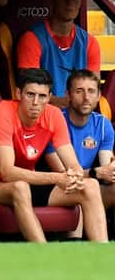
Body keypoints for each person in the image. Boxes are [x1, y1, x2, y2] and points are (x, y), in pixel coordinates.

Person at [0, 68, 108, 243]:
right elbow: (7, 172)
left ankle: (103, 256)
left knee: (90, 185)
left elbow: (73, 164)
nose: (36, 102)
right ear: (18, 93)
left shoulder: (53, 114)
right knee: (19, 187)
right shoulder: (3, 113)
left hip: (30, 181)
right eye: (30, 94)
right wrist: (57, 177)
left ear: (49, 96)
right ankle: (44, 254)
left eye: (42, 96)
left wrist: (74, 176)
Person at [46, 70, 115, 232]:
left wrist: (110, 171)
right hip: (58, 187)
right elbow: (62, 174)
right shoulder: (55, 121)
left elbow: (106, 171)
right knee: (83, 187)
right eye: (79, 91)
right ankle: (76, 243)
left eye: (91, 91)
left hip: (88, 184)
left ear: (99, 96)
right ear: (68, 95)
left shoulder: (103, 125)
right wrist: (96, 173)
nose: (86, 97)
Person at [16, 0, 100, 108]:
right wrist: (60, 103)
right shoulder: (32, 39)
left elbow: (94, 89)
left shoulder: (90, 42)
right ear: (52, 0)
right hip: (43, 113)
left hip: (78, 113)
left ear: (80, 3)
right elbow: (29, 91)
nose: (70, 3)